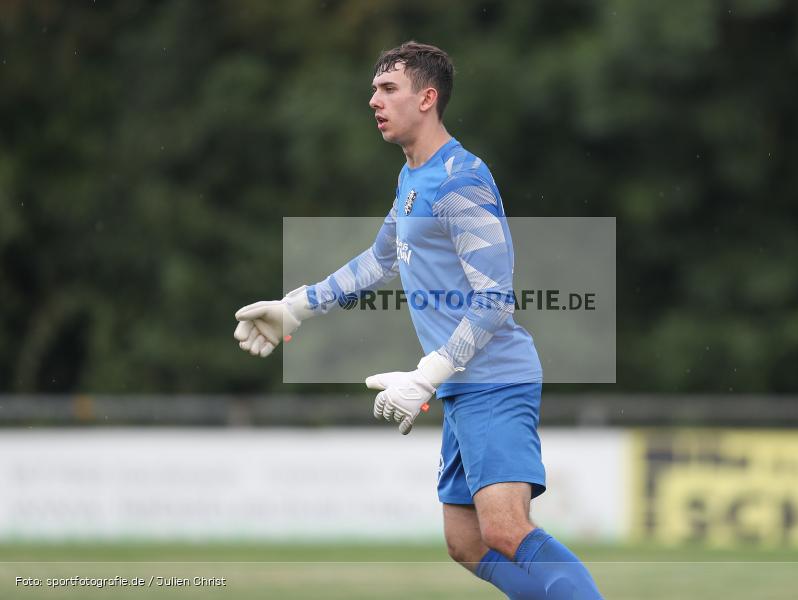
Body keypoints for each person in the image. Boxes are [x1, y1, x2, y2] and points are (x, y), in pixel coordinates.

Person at [233, 41, 602, 599]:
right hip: (461, 386)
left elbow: (495, 298)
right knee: (466, 541)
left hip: (494, 380)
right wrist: (295, 307)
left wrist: (427, 373)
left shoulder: (461, 179)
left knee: (503, 530)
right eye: (374, 89)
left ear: (427, 98)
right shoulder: (413, 179)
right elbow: (378, 260)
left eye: (389, 89)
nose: (373, 100)